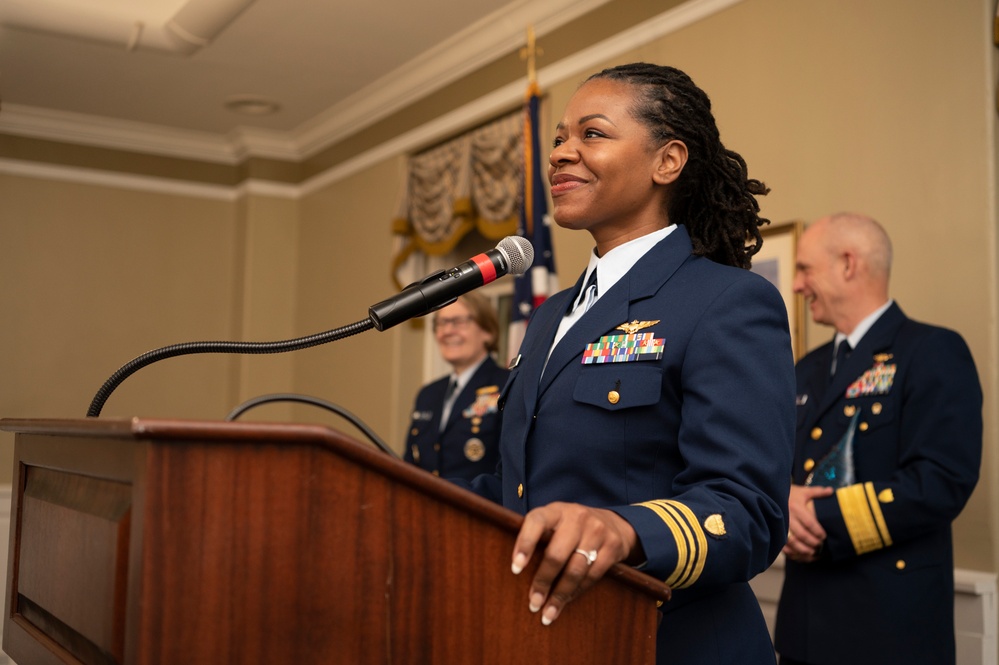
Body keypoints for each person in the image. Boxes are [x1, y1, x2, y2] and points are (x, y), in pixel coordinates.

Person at [463, 62, 796, 665]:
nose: (561, 153)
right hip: (546, 638)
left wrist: (626, 530)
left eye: (591, 134)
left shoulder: (727, 301)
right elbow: (522, 484)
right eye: (560, 137)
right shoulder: (550, 317)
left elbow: (747, 510)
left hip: (669, 644)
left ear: (667, 161)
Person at [774, 213, 982, 665]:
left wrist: (817, 517)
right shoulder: (807, 368)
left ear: (849, 264)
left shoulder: (930, 352)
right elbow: (778, 467)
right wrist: (783, 501)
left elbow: (941, 481)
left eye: (805, 268)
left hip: (887, 632)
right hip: (803, 631)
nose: (796, 285)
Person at [403, 291, 509, 480]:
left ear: (488, 332)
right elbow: (409, 465)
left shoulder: (508, 385)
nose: (447, 331)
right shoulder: (428, 394)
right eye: (441, 323)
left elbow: (508, 472)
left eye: (459, 322)